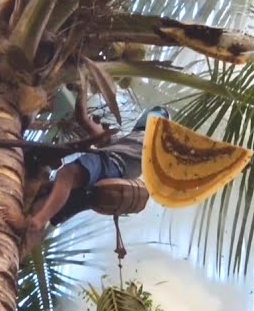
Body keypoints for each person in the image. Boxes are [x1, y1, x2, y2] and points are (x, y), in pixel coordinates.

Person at [22, 106, 170, 254]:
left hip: (111, 164)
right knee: (48, 196)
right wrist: (85, 116)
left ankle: (39, 221)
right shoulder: (128, 139)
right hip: (109, 178)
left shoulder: (154, 145)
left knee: (68, 174)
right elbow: (99, 135)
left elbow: (100, 136)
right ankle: (23, 241)